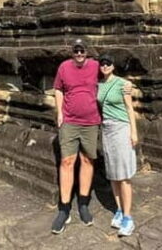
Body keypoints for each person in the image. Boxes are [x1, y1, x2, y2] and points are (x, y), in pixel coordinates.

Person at [51, 38, 101, 234]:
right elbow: (58, 89)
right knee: (67, 161)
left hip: (91, 121)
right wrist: (60, 113)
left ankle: (83, 203)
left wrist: (127, 88)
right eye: (76, 50)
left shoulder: (96, 66)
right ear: (72, 52)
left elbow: (110, 78)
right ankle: (64, 209)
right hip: (69, 121)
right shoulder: (64, 67)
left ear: (87, 52)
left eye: (82, 50)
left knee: (87, 161)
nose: (79, 53)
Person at [97, 53, 138, 237]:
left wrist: (134, 132)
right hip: (106, 129)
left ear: (113, 66)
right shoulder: (99, 85)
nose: (104, 66)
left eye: (108, 63)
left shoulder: (122, 84)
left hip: (121, 128)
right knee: (113, 174)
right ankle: (120, 210)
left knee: (123, 175)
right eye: (102, 63)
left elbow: (130, 109)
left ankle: (128, 218)